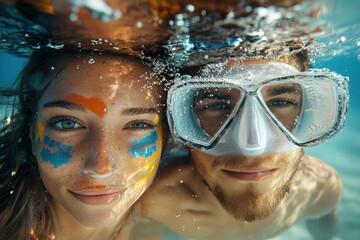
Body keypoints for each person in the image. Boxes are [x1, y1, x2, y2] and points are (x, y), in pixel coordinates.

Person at [135, 53, 348, 240]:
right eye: (217, 105)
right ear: (183, 123)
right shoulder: (151, 202)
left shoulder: (321, 189)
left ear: (307, 115)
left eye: (280, 102)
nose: (252, 147)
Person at [0, 50, 166, 240]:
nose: (101, 168)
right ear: (31, 134)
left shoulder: (183, 211)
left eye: (138, 124)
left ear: (164, 137)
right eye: (67, 123)